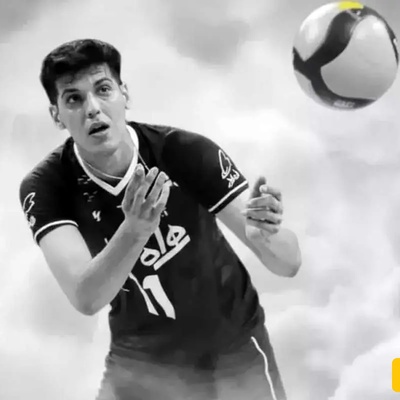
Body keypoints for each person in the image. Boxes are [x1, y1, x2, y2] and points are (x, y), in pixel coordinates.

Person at [19, 39, 301, 400]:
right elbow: (85, 298)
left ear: (124, 94)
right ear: (56, 115)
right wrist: (134, 231)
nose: (93, 109)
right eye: (73, 99)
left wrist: (264, 238)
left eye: (103, 89)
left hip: (232, 350)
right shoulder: (46, 186)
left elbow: (289, 263)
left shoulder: (184, 151)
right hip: (139, 363)